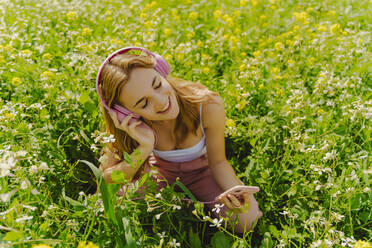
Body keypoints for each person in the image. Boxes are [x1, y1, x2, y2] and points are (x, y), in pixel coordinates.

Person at [96, 47, 263, 234]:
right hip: (157, 173)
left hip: (204, 172)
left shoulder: (207, 105)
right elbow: (106, 182)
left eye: (157, 84)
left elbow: (218, 162)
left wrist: (235, 191)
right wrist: (144, 148)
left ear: (161, 71)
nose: (160, 101)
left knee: (246, 221)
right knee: (104, 205)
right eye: (143, 103)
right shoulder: (129, 126)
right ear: (125, 112)